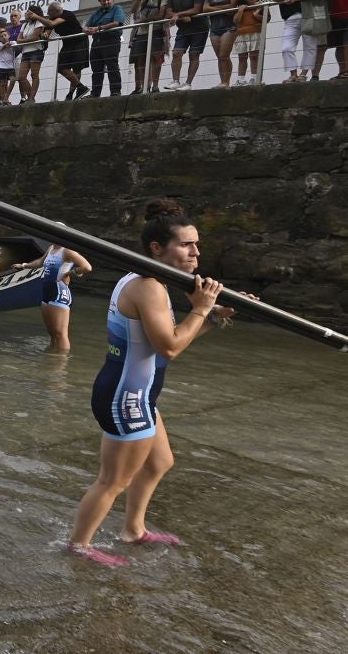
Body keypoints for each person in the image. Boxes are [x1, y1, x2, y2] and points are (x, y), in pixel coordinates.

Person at [67, 198, 237, 566]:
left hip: (138, 392)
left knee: (160, 462)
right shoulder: (148, 287)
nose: (195, 252)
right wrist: (201, 309)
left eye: (196, 244)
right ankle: (79, 546)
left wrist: (211, 319)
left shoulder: (146, 280)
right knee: (112, 481)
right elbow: (171, 347)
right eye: (185, 244)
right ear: (157, 248)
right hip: (126, 396)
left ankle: (133, 530)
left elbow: (162, 347)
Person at [20, 239, 93, 353]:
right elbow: (40, 262)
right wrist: (23, 265)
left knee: (61, 334)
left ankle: (61, 363)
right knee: (53, 334)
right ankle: (52, 360)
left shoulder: (67, 251)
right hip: (47, 292)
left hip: (59, 292)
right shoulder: (51, 248)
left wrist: (70, 273)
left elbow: (87, 267)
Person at [272, 0, 325, 81]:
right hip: (290, 18)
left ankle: (303, 74)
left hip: (309, 15)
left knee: (310, 46)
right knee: (286, 47)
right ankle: (293, 74)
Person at [163, 0, 210, 90]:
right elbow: (168, 12)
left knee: (194, 54)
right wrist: (182, 17)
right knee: (176, 53)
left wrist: (178, 14)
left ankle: (188, 83)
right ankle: (175, 81)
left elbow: (197, 9)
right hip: (183, 28)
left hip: (199, 27)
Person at [33, 3, 89, 99]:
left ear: (55, 11)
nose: (48, 14)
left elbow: (51, 24)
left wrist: (37, 17)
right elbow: (48, 29)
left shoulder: (67, 14)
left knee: (77, 68)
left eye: (49, 12)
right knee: (61, 67)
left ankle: (71, 94)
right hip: (67, 44)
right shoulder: (51, 18)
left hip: (79, 41)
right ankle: (81, 87)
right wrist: (45, 34)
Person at [128, 0, 170, 94]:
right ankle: (145, 86)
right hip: (142, 33)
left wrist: (143, 20)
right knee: (141, 60)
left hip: (157, 31)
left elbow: (161, 15)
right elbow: (133, 10)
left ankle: (155, 86)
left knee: (156, 58)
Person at [202, 0, 242, 87]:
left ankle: (226, 82)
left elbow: (232, 5)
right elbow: (204, 8)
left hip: (229, 27)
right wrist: (222, 9)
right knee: (220, 57)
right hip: (214, 28)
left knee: (224, 55)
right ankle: (222, 81)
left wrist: (214, 8)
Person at [85, 0, 127, 96]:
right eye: (103, 1)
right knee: (96, 69)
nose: (106, 2)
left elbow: (117, 23)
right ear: (100, 2)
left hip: (111, 40)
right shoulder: (96, 13)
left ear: (112, 0)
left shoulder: (117, 8)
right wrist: (86, 30)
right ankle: (95, 93)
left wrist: (98, 28)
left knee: (112, 66)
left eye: (108, 0)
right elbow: (86, 26)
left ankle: (115, 91)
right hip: (97, 42)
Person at [15, 4, 49, 103]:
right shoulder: (24, 25)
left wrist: (24, 40)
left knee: (34, 75)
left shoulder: (39, 23)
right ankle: (31, 97)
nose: (25, 13)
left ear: (33, 13)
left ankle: (31, 98)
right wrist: (27, 40)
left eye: (28, 12)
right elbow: (18, 40)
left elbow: (34, 37)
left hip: (36, 51)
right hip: (25, 52)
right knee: (21, 77)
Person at [233, 0, 266, 84]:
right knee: (242, 58)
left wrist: (256, 14)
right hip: (241, 35)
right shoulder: (241, 8)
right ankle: (240, 80)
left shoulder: (261, 6)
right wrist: (240, 10)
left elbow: (267, 19)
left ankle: (254, 78)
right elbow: (236, 21)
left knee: (254, 56)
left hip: (255, 33)